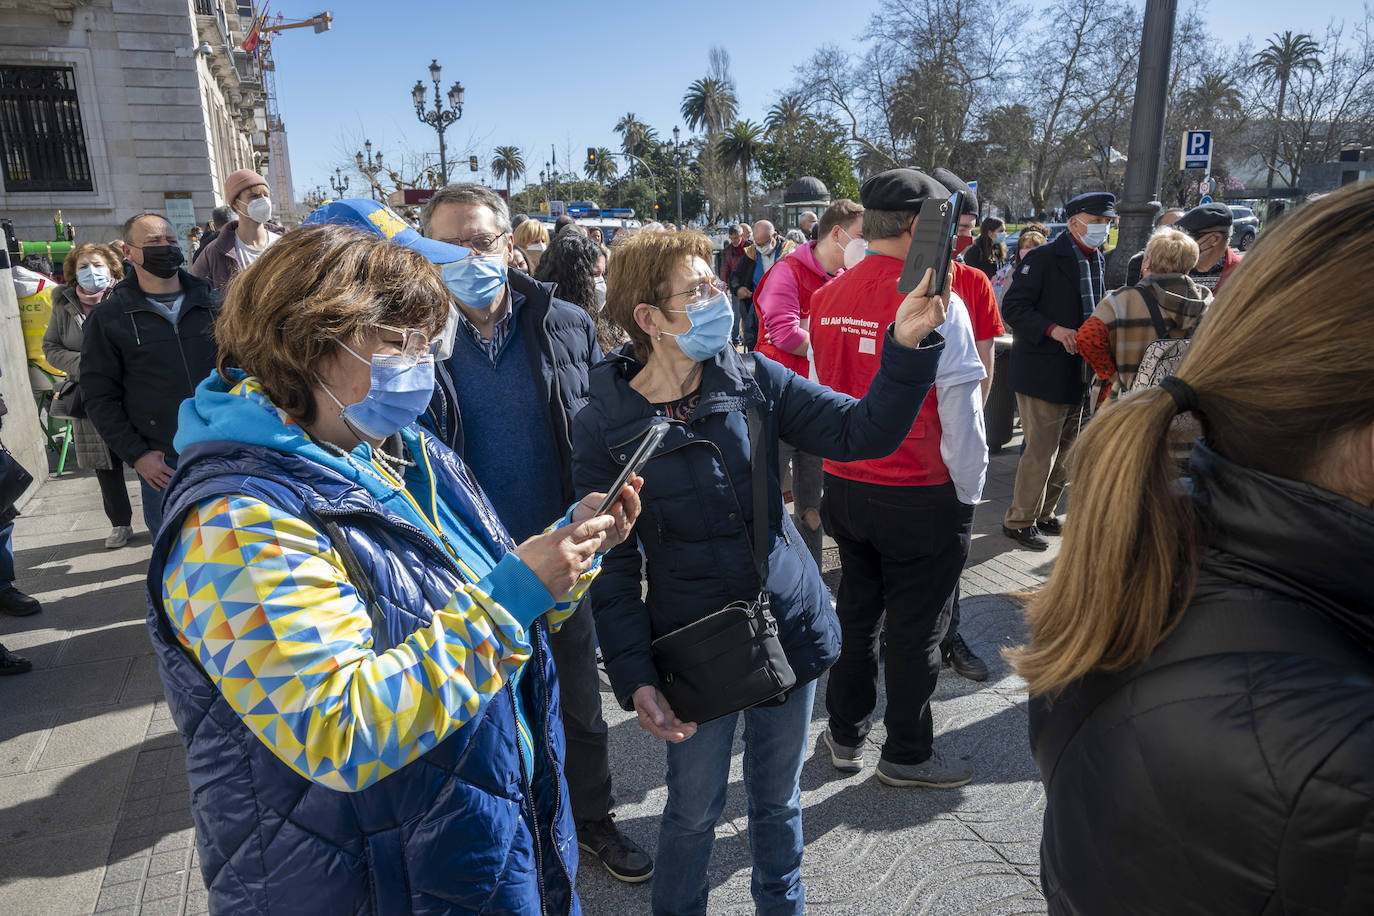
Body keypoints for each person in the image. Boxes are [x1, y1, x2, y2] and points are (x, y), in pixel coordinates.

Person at [146, 222, 642, 913]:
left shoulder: (398, 448)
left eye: (424, 342)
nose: (419, 363)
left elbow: (470, 590)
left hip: (465, 845)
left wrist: (567, 552)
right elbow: (341, 730)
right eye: (395, 341)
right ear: (304, 341)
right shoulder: (233, 524)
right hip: (370, 879)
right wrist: (514, 594)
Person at [1012, 179, 1374, 916]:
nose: (1103, 234)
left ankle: (1033, 515)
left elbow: (1090, 344)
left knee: (1049, 470)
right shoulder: (1338, 758)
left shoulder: (1133, 578)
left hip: (1131, 423)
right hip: (1165, 444)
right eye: (1096, 224)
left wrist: (1110, 368)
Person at [573, 227, 948, 916]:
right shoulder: (602, 423)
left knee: (778, 802)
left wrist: (906, 346)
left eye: (716, 282)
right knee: (693, 810)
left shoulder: (754, 379)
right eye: (697, 291)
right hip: (694, 647)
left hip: (787, 625)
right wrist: (633, 677)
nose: (719, 298)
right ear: (649, 319)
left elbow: (862, 433)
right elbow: (614, 566)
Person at [421, 184, 651, 882]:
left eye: (482, 241)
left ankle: (592, 820)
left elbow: (598, 425)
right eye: (449, 245)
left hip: (561, 554)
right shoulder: (409, 334)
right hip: (463, 567)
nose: (470, 256)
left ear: (509, 244)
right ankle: (507, 835)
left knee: (578, 702)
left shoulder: (565, 322)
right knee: (482, 714)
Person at [811, 169, 987, 788]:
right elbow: (962, 414)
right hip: (919, 489)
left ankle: (841, 731)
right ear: (919, 225)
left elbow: (817, 395)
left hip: (848, 485)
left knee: (857, 614)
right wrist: (968, 494)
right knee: (917, 629)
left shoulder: (829, 295)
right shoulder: (936, 301)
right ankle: (907, 754)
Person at [81, 213, 221, 536]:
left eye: (171, 241)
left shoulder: (213, 303)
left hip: (222, 449)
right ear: (128, 253)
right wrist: (138, 455)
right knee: (175, 557)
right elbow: (100, 397)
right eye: (154, 242)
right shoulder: (109, 318)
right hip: (163, 463)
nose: (166, 248)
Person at [999, 191, 1116, 551]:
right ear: (1074, 222)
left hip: (1080, 371)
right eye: (1098, 222)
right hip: (1043, 371)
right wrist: (1053, 329)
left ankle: (1045, 514)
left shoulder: (1095, 259)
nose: (1104, 229)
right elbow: (1014, 308)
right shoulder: (1045, 258)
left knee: (1066, 452)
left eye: (1107, 222)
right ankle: (1019, 521)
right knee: (1041, 452)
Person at [754, 199, 864, 566]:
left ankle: (812, 584)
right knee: (766, 500)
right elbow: (784, 334)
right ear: (838, 233)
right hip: (780, 404)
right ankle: (769, 584)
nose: (867, 245)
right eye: (862, 236)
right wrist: (835, 345)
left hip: (819, 404)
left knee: (812, 507)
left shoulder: (847, 277)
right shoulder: (788, 271)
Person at [43, 242, 134, 549]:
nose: (90, 271)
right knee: (104, 464)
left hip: (131, 391)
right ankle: (120, 523)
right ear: (72, 272)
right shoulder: (63, 303)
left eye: (97, 264)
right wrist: (88, 365)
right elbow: (51, 349)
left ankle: (162, 518)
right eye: (83, 266)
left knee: (148, 455)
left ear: (111, 269)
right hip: (88, 394)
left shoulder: (127, 296)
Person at [1075, 227, 1211, 400]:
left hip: (1130, 404)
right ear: (1190, 267)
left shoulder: (1122, 301)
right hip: (1181, 404)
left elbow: (1087, 337)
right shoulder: (1207, 304)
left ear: (1147, 262)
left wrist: (1111, 375)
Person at [535, 226, 623, 355]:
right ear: (575, 278)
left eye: (602, 275)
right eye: (595, 275)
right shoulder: (552, 328)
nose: (602, 284)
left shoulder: (603, 321)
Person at [191, 170, 284, 291]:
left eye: (265, 195)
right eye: (254, 196)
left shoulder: (285, 244)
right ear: (236, 204)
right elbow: (194, 292)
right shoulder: (215, 252)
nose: (263, 200)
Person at [730, 220, 796, 350]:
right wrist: (738, 289)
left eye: (764, 244)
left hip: (782, 310)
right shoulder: (751, 253)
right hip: (756, 309)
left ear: (775, 236)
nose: (760, 248)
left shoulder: (790, 253)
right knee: (753, 342)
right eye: (757, 244)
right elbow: (735, 276)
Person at [1174, 201, 1243, 294]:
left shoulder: (1241, 272)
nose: (1184, 243)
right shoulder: (1173, 267)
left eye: (1190, 237)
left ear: (1215, 239)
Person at [1124, 206, 1184, 286]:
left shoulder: (1194, 260)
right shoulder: (1140, 261)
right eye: (1171, 227)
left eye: (1182, 228)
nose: (1177, 233)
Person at [993, 229, 1047, 305]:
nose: (1025, 250)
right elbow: (1005, 302)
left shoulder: (1049, 272)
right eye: (1022, 247)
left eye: (1028, 247)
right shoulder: (1014, 272)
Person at [717, 225, 748, 344]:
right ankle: (735, 340)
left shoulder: (750, 247)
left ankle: (748, 338)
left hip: (751, 285)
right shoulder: (727, 251)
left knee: (751, 315)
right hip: (736, 287)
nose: (734, 241)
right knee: (737, 314)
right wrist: (723, 286)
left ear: (742, 236)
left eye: (736, 238)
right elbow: (724, 270)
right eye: (732, 238)